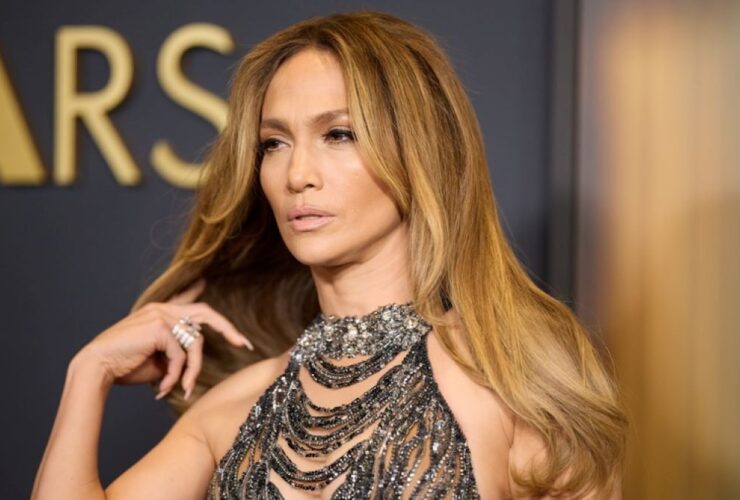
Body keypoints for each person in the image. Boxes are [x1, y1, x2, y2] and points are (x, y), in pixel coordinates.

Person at [32, 10, 627, 499]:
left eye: (338, 134)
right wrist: (90, 372)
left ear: (419, 151)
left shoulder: (513, 385)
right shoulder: (230, 409)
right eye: (274, 143)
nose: (297, 174)